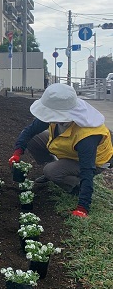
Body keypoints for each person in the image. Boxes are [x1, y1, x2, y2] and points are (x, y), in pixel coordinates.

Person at [8, 83, 113, 218]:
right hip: (71, 150)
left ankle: (75, 185)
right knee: (35, 139)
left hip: (94, 161)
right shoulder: (58, 113)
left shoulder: (88, 134)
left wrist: (83, 207)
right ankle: (57, 167)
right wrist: (17, 153)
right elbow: (29, 131)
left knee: (52, 171)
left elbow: (88, 169)